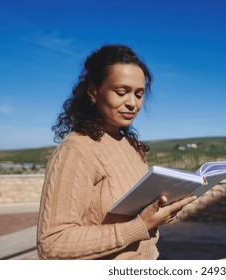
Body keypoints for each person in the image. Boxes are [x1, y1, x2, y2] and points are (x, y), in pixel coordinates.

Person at [37, 44, 196, 260]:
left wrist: (159, 214)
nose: (132, 103)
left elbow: (140, 220)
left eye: (139, 94)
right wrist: (138, 226)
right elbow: (52, 244)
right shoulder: (76, 151)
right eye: (121, 92)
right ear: (93, 92)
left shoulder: (131, 147)